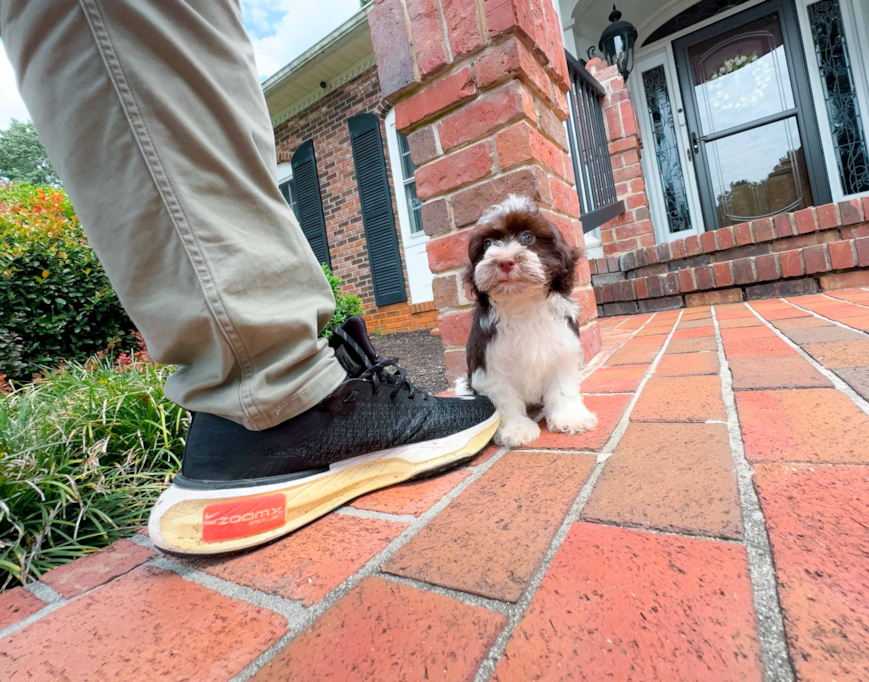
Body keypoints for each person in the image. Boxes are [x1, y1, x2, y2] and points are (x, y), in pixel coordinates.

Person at [0, 0, 499, 555]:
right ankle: (273, 389)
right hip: (265, 402)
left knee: (217, 88)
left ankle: (270, 392)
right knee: (149, 31)